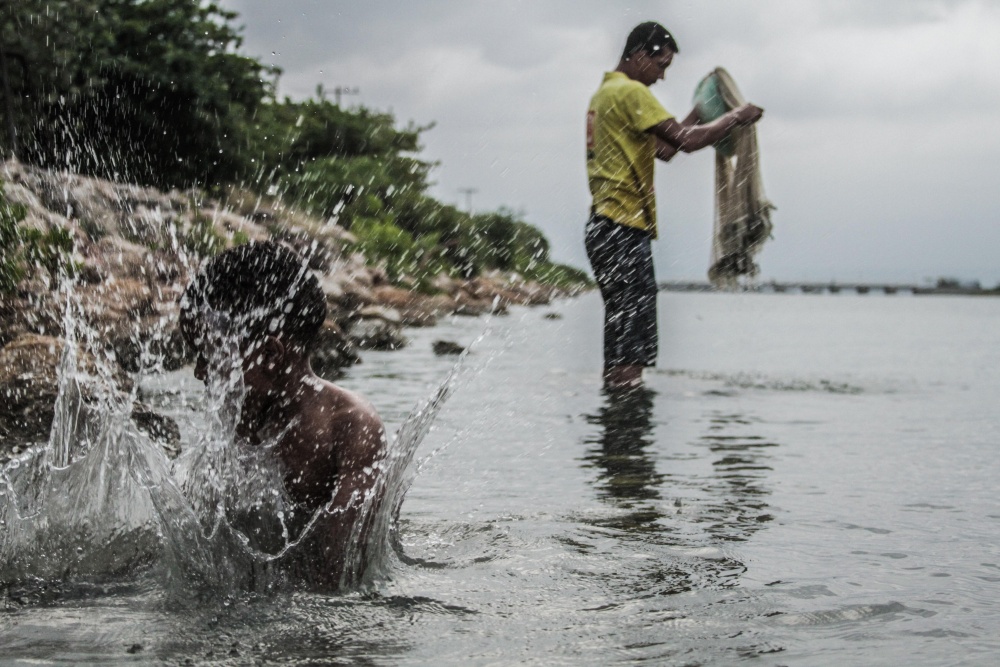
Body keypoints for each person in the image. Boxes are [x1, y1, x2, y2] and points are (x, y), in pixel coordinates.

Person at [178, 241, 387, 588]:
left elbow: (340, 578)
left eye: (207, 353)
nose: (200, 371)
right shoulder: (235, 420)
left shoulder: (349, 428)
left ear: (270, 356)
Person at [585, 21, 764, 389]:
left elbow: (664, 150)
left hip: (604, 228)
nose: (662, 77)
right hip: (620, 228)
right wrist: (735, 116)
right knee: (632, 340)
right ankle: (628, 429)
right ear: (638, 55)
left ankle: (617, 426)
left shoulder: (605, 95)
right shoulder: (631, 93)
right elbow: (686, 142)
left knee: (623, 333)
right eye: (661, 65)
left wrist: (700, 112)